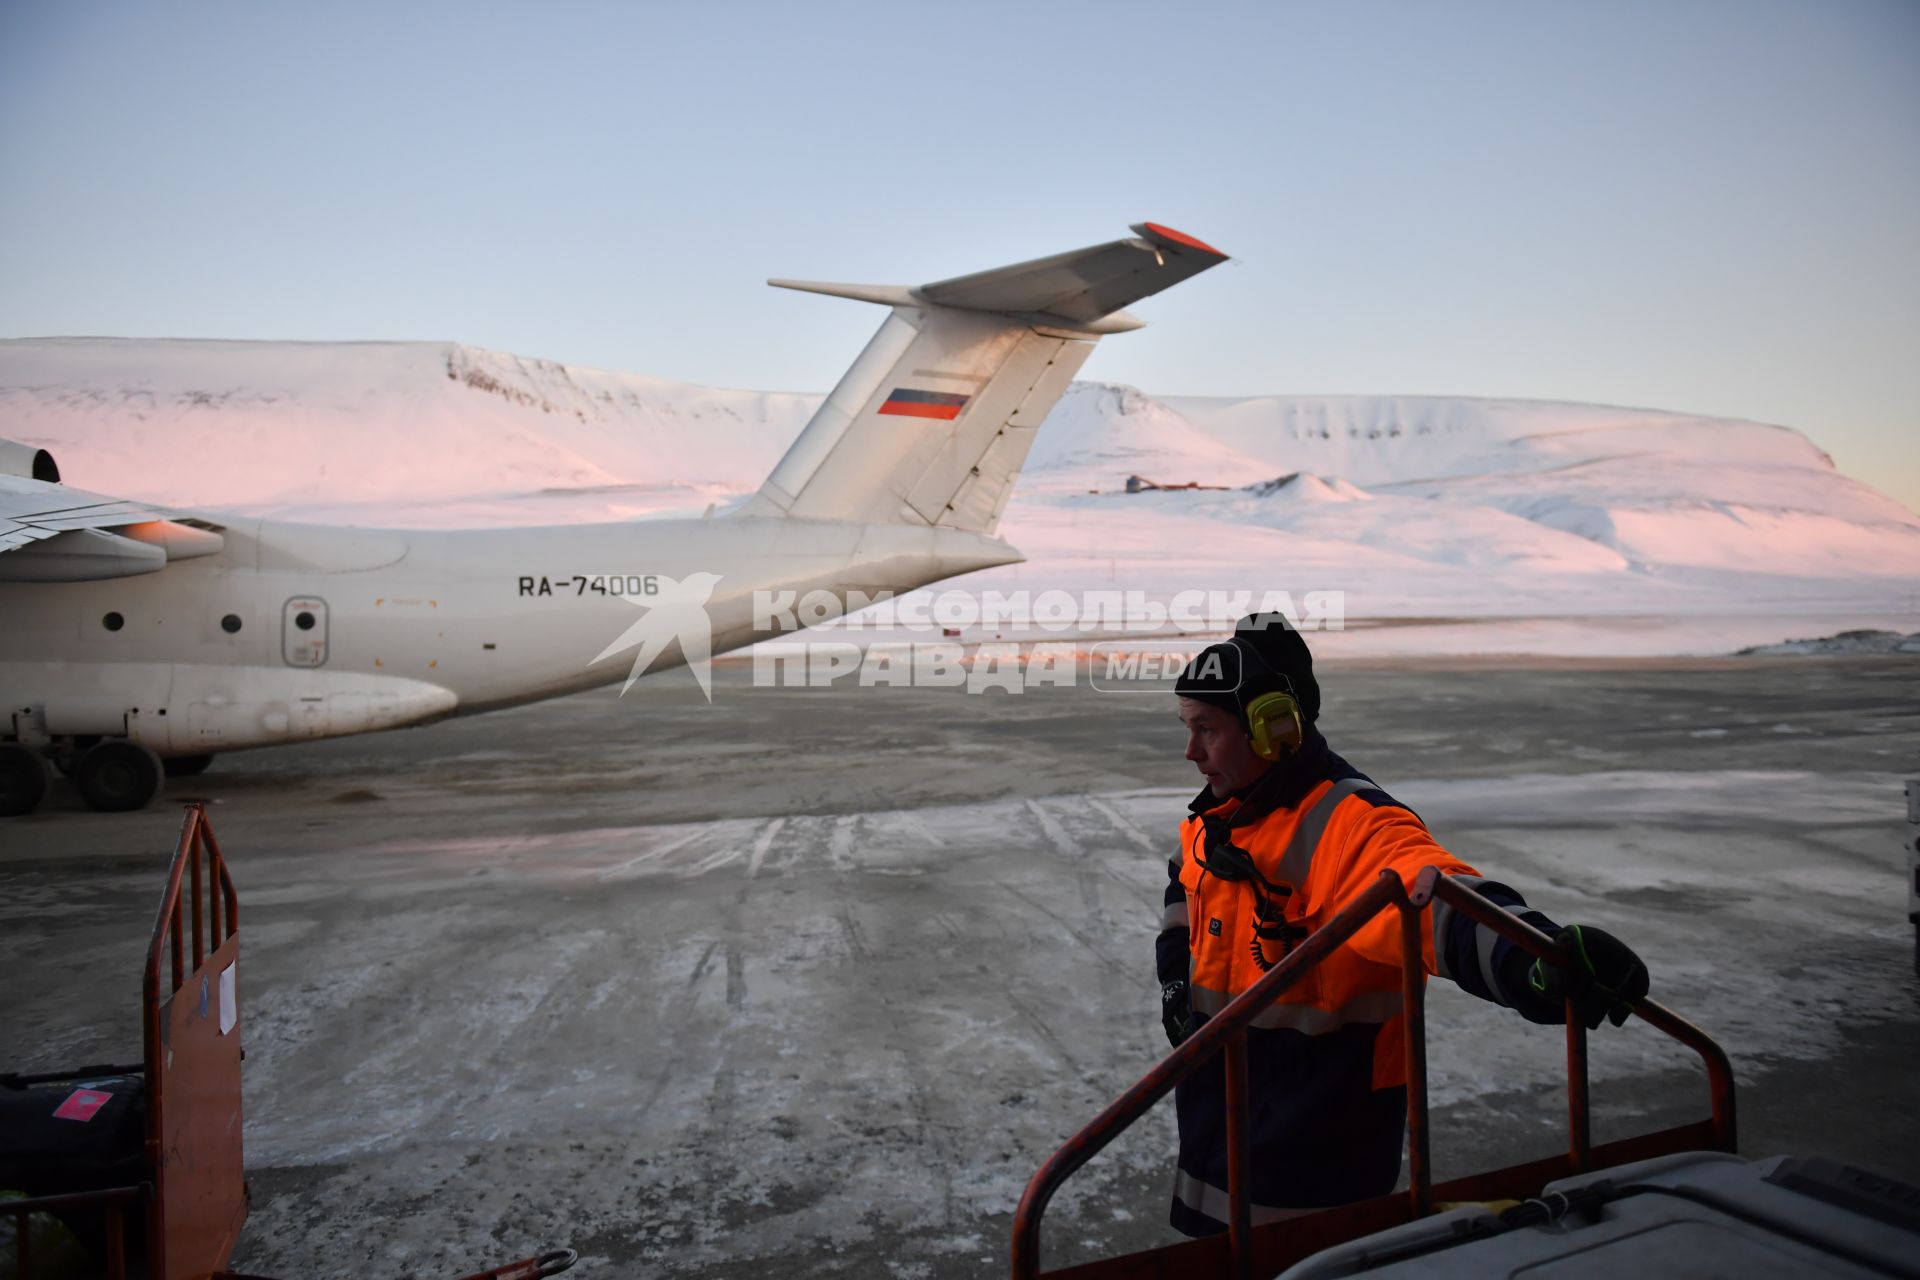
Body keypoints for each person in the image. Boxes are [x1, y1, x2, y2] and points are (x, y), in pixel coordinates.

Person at [1157, 613, 1649, 1236]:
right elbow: (1184, 880)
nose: (1190, 751)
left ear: (1272, 728)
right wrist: (1175, 978)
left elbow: (1433, 896)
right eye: (1186, 728)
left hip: (1316, 1141)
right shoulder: (1219, 817)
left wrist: (1533, 959)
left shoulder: (1350, 824)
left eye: (1207, 730)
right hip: (1216, 1119)